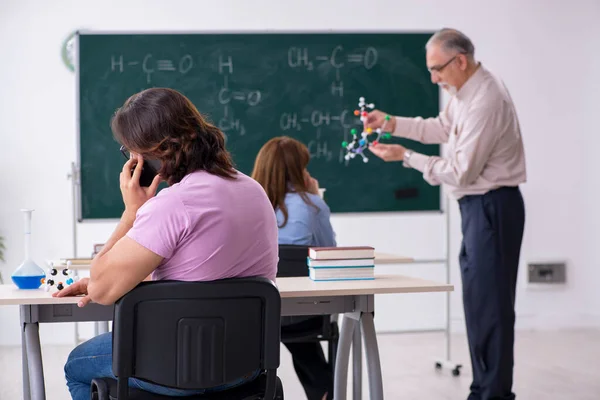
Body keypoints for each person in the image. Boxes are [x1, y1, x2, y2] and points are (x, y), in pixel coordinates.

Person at [54, 87, 279, 400]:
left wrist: (132, 212)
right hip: (246, 362)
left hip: (172, 364)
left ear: (148, 155)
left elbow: (102, 291)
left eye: (128, 151)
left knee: (76, 366)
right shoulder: (254, 191)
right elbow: (204, 271)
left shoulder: (172, 205)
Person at [365, 28, 526, 400]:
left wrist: (404, 156)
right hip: (477, 208)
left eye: (437, 69)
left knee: (492, 309)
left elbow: (460, 170)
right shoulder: (464, 93)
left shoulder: (486, 101)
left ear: (461, 61)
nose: (434, 78)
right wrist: (390, 123)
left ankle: (495, 393)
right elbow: (439, 128)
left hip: (492, 206)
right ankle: (483, 388)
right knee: (478, 304)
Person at [251, 136, 336, 400]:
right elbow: (328, 254)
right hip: (304, 317)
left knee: (276, 318)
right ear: (298, 170)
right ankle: (324, 391)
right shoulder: (312, 205)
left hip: (254, 316)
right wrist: (311, 197)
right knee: (304, 335)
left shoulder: (247, 206)